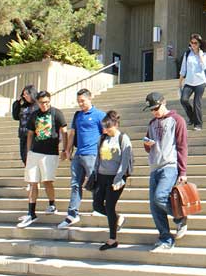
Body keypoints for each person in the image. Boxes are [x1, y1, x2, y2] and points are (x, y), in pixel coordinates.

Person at [143, 92, 188, 250]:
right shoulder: (151, 123)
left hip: (170, 165)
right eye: (152, 109)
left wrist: (182, 172)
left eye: (157, 107)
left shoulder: (177, 120)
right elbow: (148, 145)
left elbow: (182, 147)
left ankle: (180, 218)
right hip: (154, 167)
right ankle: (165, 239)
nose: (155, 111)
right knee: (154, 206)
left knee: (160, 197)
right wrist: (147, 145)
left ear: (164, 102)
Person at [17, 91, 67, 228]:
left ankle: (52, 204)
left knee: (47, 181)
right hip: (35, 152)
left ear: (50, 101)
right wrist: (28, 152)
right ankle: (31, 213)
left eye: (46, 102)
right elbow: (30, 134)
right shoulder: (34, 115)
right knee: (33, 182)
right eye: (41, 102)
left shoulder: (57, 113)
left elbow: (64, 131)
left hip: (50, 153)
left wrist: (65, 149)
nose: (44, 105)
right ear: (38, 102)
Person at [58, 89, 106, 229]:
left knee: (93, 182)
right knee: (75, 183)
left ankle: (97, 207)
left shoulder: (99, 115)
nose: (80, 104)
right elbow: (72, 133)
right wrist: (67, 149)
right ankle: (72, 214)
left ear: (90, 99)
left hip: (92, 154)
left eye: (82, 101)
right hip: (79, 154)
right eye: (78, 101)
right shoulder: (77, 115)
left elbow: (105, 134)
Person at [92, 110, 133, 251]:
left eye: (108, 127)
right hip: (101, 176)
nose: (106, 130)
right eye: (104, 127)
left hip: (116, 177)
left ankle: (112, 239)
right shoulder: (102, 138)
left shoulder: (123, 138)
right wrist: (94, 173)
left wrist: (118, 179)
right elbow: (98, 158)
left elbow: (125, 161)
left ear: (115, 125)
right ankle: (117, 218)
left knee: (109, 205)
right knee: (97, 205)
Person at [179, 33, 206, 131]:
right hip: (189, 82)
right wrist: (180, 81)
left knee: (197, 103)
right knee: (183, 100)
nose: (193, 45)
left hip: (200, 82)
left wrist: (200, 56)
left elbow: (204, 67)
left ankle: (198, 124)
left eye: (195, 43)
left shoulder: (204, 54)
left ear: (199, 44)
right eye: (191, 43)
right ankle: (192, 118)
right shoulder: (187, 53)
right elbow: (183, 67)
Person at [12, 85, 38, 165]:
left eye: (27, 94)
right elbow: (15, 117)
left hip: (34, 135)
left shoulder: (38, 105)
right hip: (23, 134)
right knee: (24, 157)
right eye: (24, 94)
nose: (25, 96)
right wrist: (17, 103)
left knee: (29, 157)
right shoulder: (23, 106)